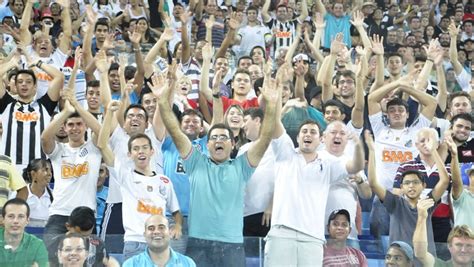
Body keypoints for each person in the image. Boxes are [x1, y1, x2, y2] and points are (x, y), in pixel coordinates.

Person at [158, 61, 278, 266]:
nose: (219, 141)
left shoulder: (242, 166)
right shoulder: (196, 162)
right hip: (198, 243)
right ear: (207, 143)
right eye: (214, 137)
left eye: (224, 137)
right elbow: (176, 131)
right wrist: (162, 101)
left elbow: (266, 137)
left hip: (232, 244)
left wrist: (272, 106)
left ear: (233, 144)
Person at [264, 68, 365, 266]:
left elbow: (355, 166)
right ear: (298, 137)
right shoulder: (285, 153)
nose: (308, 134)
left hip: (312, 236)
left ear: (320, 139)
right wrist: (274, 103)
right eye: (304, 131)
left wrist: (359, 145)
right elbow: (275, 123)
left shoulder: (328, 163)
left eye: (312, 131)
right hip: (281, 232)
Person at [98, 101, 182, 260]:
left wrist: (177, 225)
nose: (140, 151)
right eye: (136, 149)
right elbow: (102, 145)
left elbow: (176, 212)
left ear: (152, 151)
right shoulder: (125, 177)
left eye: (144, 147)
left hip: (160, 243)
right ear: (129, 154)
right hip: (134, 243)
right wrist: (109, 113)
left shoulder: (164, 182)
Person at [366, 130, 450, 260]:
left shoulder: (427, 203)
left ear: (423, 186)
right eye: (407, 183)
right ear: (401, 187)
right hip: (399, 260)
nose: (411, 186)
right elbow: (372, 183)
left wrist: (433, 151)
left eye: (416, 182)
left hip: (424, 259)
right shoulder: (394, 203)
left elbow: (444, 181)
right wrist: (372, 151)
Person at [413, 196, 474, 266]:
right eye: (459, 245)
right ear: (449, 247)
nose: (463, 250)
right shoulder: (441, 265)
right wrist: (422, 217)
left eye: (469, 246)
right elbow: (420, 254)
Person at [123, 215, 196, 267]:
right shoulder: (131, 264)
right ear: (145, 235)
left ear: (170, 232)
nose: (156, 232)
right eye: (151, 228)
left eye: (161, 227)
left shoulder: (188, 263)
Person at [0, 198, 48, 267]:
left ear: (27, 220)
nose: (15, 221)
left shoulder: (37, 245)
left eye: (21, 216)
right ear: (3, 219)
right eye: (11, 216)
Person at [22, 158, 53, 227]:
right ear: (33, 174)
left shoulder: (55, 195)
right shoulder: (19, 193)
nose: (50, 174)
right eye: (45, 170)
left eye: (50, 170)